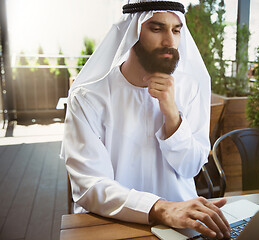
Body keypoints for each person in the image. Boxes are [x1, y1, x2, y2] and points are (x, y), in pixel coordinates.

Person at [61, 0, 230, 238]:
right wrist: (160, 208)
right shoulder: (89, 97)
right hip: (113, 226)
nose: (170, 41)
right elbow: (90, 186)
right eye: (156, 28)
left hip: (184, 226)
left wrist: (172, 116)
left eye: (176, 30)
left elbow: (192, 167)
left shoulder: (190, 88)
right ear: (132, 31)